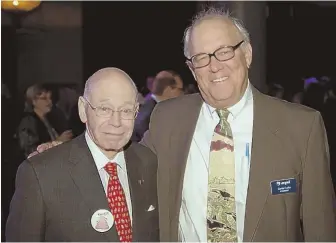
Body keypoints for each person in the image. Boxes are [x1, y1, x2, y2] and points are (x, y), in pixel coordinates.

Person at [140, 7, 336, 242]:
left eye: (224, 52)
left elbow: (320, 228)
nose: (214, 66)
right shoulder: (167, 120)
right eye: (201, 57)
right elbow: (129, 173)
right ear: (192, 69)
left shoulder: (302, 127)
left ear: (247, 54)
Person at [6, 68, 159, 242]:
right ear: (82, 109)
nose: (116, 122)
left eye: (126, 111)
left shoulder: (148, 162)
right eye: (104, 109)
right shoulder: (41, 174)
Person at [16, 84, 73, 157]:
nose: (50, 102)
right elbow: (29, 150)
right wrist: (57, 141)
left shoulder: (49, 118)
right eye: (44, 98)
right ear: (33, 101)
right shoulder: (28, 121)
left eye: (50, 98)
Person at [132, 70, 184, 142]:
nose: (182, 94)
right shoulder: (150, 114)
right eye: (180, 89)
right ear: (168, 89)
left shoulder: (150, 107)